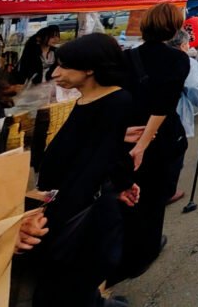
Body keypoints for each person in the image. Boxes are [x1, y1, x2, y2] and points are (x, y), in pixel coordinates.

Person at [23, 34, 139, 307]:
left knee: (66, 289)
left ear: (89, 69)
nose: (56, 73)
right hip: (74, 209)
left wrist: (53, 215)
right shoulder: (86, 99)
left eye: (64, 66)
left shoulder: (116, 101)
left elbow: (97, 164)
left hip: (81, 216)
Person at [107, 3, 190, 286]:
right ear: (173, 26)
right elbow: (163, 106)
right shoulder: (177, 59)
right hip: (158, 137)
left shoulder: (127, 57)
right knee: (155, 197)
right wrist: (144, 143)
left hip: (128, 135)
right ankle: (145, 252)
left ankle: (121, 254)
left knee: (131, 193)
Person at [166, 29, 198, 204]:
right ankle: (167, 191)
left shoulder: (147, 56)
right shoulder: (185, 61)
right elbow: (194, 88)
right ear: (183, 45)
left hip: (145, 113)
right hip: (174, 112)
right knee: (174, 152)